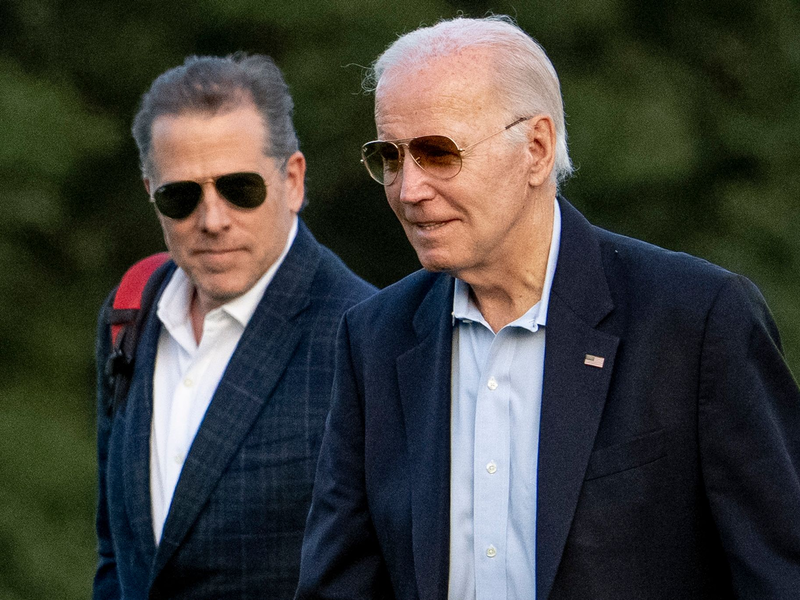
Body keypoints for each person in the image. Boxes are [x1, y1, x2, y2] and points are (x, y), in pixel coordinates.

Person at [295, 16, 800, 600]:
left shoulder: (697, 320)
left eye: (438, 153)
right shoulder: (375, 338)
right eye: (390, 155)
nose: (409, 190)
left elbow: (780, 572)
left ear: (535, 149)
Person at [93, 54, 375, 599]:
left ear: (292, 180)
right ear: (151, 193)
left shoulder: (364, 335)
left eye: (240, 188)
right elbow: (116, 554)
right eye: (181, 196)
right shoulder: (127, 314)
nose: (213, 219)